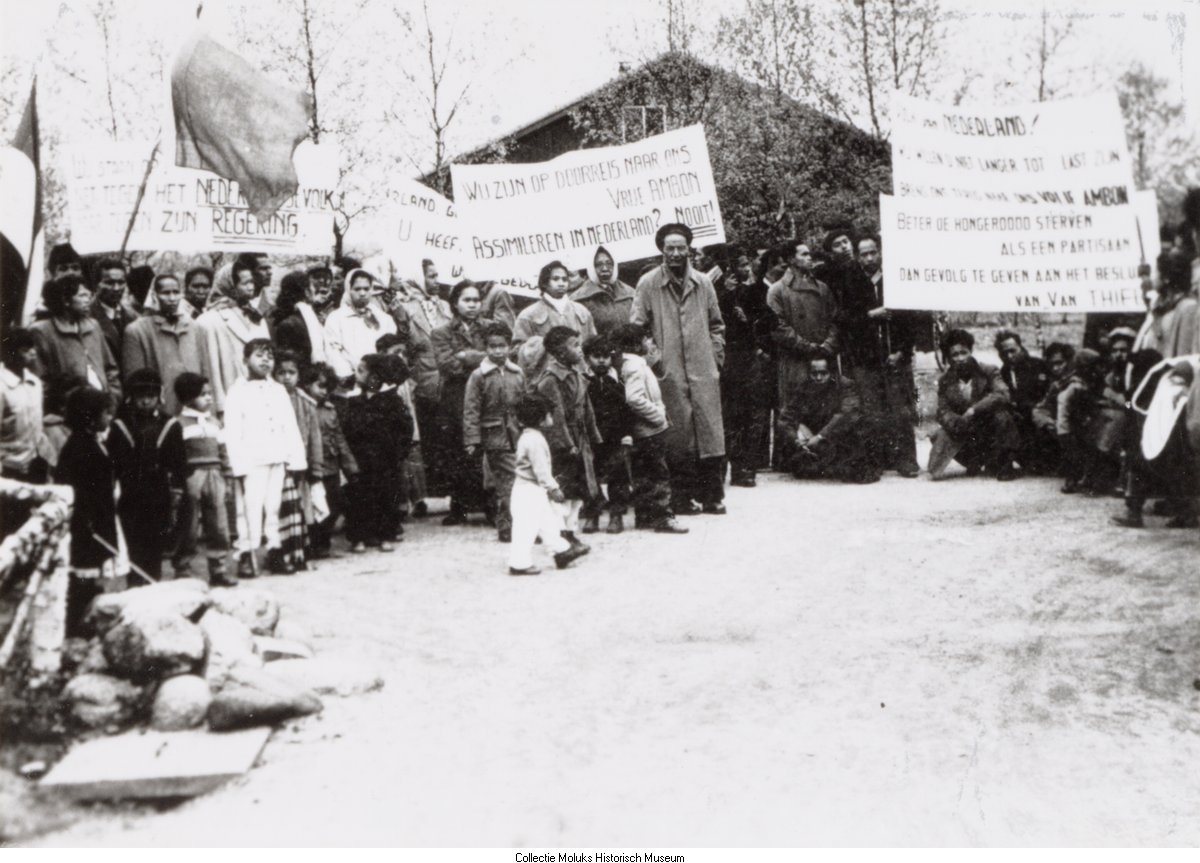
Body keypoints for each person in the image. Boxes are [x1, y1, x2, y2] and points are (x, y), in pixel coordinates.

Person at [632, 223, 727, 516]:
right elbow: (638, 327)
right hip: (668, 371)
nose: (675, 253)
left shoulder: (703, 282)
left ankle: (713, 496)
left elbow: (717, 324)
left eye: (680, 247)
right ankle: (682, 498)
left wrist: (715, 357)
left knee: (709, 433)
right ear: (662, 250)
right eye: (669, 248)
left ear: (689, 249)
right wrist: (655, 359)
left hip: (703, 368)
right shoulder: (648, 283)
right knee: (678, 436)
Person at [223, 339, 307, 577]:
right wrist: (237, 464)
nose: (265, 360)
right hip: (251, 461)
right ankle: (246, 554)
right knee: (249, 509)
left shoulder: (278, 390)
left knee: (273, 507)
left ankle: (274, 550)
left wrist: (296, 459)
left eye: (269, 356)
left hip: (277, 457)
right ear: (245, 360)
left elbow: (289, 425)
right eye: (259, 355)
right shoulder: (237, 392)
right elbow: (232, 430)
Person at [55, 386, 127, 636]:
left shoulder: (92, 442)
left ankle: (87, 624)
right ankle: (78, 629)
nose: (109, 418)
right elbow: (77, 491)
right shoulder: (79, 448)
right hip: (87, 524)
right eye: (105, 413)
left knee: (94, 577)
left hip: (99, 519)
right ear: (89, 416)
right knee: (83, 577)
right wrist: (88, 523)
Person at [108, 368, 187, 580]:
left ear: (159, 396)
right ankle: (135, 583)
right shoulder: (120, 426)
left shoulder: (170, 425)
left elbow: (178, 463)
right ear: (130, 398)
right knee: (133, 542)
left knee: (155, 543)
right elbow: (113, 463)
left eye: (150, 396)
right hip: (130, 492)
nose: (145, 402)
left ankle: (153, 581)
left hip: (158, 492)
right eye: (140, 397)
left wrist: (177, 491)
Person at [855, 234, 921, 477]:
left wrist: (902, 352)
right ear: (857, 256)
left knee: (901, 410)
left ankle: (906, 461)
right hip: (867, 359)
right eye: (864, 254)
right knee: (872, 413)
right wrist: (872, 315)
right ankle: (875, 462)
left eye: (873, 252)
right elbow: (846, 320)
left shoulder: (895, 280)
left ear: (880, 252)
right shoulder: (853, 282)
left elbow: (910, 322)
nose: (869, 258)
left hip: (895, 358)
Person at [532, 326, 601, 555]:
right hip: (564, 446)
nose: (580, 350)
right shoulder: (551, 380)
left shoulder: (577, 374)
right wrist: (567, 444)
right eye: (575, 345)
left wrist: (593, 436)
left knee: (579, 491)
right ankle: (560, 533)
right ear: (559, 353)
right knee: (563, 491)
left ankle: (570, 533)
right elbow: (557, 417)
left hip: (580, 441)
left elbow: (587, 409)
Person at [613, 323, 687, 534]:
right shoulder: (636, 365)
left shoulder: (629, 363)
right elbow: (634, 398)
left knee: (643, 473)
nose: (651, 344)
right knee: (658, 473)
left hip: (643, 430)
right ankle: (663, 516)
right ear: (636, 344)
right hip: (649, 429)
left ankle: (644, 515)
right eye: (648, 340)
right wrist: (657, 415)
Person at [431, 280, 494, 525]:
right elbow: (447, 365)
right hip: (456, 396)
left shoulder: (490, 328)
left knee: (487, 446)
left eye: (476, 300)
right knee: (458, 449)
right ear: (455, 304)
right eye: (467, 300)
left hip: (486, 392)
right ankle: (460, 507)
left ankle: (490, 504)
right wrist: (480, 360)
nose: (472, 305)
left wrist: (467, 356)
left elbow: (499, 355)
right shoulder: (441, 332)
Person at [392, 265, 454, 511]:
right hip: (422, 384)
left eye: (438, 274)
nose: (437, 280)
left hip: (446, 380)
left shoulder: (445, 307)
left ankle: (452, 493)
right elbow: (404, 344)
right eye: (432, 275)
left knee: (448, 437)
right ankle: (422, 495)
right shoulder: (404, 309)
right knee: (426, 439)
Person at [506, 394, 588, 575]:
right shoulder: (535, 440)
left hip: (528, 490)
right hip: (529, 490)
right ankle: (519, 563)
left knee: (547, 522)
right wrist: (553, 488)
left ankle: (562, 551)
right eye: (549, 415)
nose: (552, 418)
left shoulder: (528, 437)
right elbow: (541, 470)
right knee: (526, 528)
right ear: (540, 419)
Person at [342, 353, 413, 553]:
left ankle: (385, 535)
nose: (356, 374)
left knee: (386, 496)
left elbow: (405, 428)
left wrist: (398, 453)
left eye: (361, 371)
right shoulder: (355, 401)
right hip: (361, 459)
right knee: (359, 497)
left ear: (375, 377)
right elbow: (348, 429)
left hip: (385, 460)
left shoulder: (391, 401)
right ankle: (360, 537)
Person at [928, 329, 1020, 481]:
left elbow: (1002, 394)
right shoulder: (945, 380)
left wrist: (974, 410)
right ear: (949, 358)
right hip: (966, 429)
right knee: (938, 435)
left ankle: (1004, 464)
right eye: (954, 355)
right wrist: (956, 422)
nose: (960, 358)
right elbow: (942, 410)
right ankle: (974, 461)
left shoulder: (988, 370)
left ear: (971, 351)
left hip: (989, 427)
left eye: (964, 352)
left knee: (1002, 417)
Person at [463, 321, 525, 543]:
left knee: (514, 481)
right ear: (486, 348)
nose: (498, 351)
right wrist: (472, 439)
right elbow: (471, 410)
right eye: (492, 346)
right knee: (509, 481)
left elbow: (523, 404)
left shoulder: (517, 373)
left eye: (502, 346)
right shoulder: (479, 376)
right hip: (494, 436)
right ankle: (507, 525)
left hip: (517, 434)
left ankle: (512, 524)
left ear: (509, 346)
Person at [777, 351, 878, 484]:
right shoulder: (803, 387)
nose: (818, 377)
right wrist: (797, 439)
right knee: (801, 469)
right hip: (815, 441)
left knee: (854, 472)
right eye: (814, 373)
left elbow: (846, 415)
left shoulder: (846, 385)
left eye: (823, 373)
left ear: (832, 373)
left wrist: (819, 437)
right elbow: (785, 418)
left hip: (839, 437)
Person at [171, 372, 233, 585]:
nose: (209, 398)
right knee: (188, 524)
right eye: (202, 394)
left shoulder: (215, 422)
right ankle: (183, 569)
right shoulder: (178, 424)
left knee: (218, 524)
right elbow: (176, 456)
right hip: (192, 475)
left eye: (209, 394)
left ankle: (218, 569)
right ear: (188, 398)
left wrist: (228, 476)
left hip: (215, 474)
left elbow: (223, 451)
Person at [718, 248, 773, 487]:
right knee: (733, 415)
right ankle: (736, 466)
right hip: (728, 361)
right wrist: (728, 298)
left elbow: (771, 319)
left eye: (747, 264)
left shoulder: (753, 292)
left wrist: (750, 321)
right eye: (740, 265)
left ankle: (749, 465)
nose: (746, 269)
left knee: (754, 414)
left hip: (749, 359)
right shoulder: (717, 294)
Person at [766, 240, 838, 414]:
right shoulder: (777, 291)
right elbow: (778, 327)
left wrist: (827, 344)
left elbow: (835, 319)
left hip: (823, 359)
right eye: (804, 254)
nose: (809, 257)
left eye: (809, 254)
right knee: (794, 412)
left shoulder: (822, 288)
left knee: (825, 411)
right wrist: (807, 346)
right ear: (791, 259)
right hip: (795, 361)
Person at [30, 274, 122, 404]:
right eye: (82, 295)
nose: (88, 300)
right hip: (69, 413)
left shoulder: (93, 326)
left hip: (104, 409)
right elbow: (40, 380)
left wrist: (114, 397)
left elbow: (111, 368)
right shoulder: (42, 331)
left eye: (88, 295)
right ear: (65, 300)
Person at [194, 260, 270, 415]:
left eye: (252, 282)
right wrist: (220, 408)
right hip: (231, 401)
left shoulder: (257, 318)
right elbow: (210, 370)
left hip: (261, 399)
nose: (251, 287)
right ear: (230, 285)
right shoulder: (209, 321)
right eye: (245, 283)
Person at [122, 273, 203, 416]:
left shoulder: (194, 327)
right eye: (165, 293)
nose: (172, 298)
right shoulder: (137, 331)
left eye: (176, 292)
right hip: (160, 412)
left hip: (194, 411)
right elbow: (136, 381)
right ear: (154, 295)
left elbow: (204, 369)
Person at [1052, 349, 1127, 496]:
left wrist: (1127, 404)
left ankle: (1099, 480)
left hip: (1115, 415)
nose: (1100, 369)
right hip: (1086, 422)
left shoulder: (1108, 379)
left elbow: (1128, 403)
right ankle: (1088, 479)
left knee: (1115, 420)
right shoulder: (1078, 384)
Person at [274, 350, 323, 572]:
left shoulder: (306, 403)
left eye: (291, 372)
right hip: (278, 464)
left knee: (303, 508)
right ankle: (282, 552)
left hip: (300, 465)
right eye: (281, 372)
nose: (286, 377)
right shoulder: (271, 399)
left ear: (298, 375)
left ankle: (303, 550)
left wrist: (316, 469)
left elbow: (315, 438)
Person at [302, 363, 357, 558]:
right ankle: (313, 543)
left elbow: (339, 438)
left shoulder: (330, 409)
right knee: (313, 506)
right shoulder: (302, 408)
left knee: (334, 504)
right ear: (307, 385)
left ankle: (323, 541)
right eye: (319, 386)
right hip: (311, 466)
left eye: (327, 387)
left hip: (331, 464)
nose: (324, 391)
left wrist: (350, 465)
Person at [579, 334, 632, 534]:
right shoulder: (583, 381)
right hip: (591, 438)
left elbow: (626, 410)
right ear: (587, 358)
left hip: (614, 437)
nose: (601, 360)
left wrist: (627, 434)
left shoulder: (617, 382)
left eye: (605, 356)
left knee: (618, 476)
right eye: (596, 356)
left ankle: (616, 515)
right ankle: (592, 515)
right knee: (589, 476)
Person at [994, 330, 1054, 473]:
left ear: (1020, 347)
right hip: (1021, 423)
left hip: (1041, 417)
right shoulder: (1003, 373)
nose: (1009, 356)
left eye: (1012, 350)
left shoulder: (1039, 365)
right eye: (1004, 353)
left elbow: (1051, 393)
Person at [324, 268, 398, 381]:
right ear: (349, 290)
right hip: (353, 383)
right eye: (357, 289)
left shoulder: (384, 318)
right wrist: (351, 377)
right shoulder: (336, 318)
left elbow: (392, 351)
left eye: (366, 289)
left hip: (381, 382)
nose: (362, 293)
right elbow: (333, 353)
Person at [1, 328, 51, 485]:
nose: (32, 353)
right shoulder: (3, 388)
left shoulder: (34, 383)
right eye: (25, 350)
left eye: (33, 348)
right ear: (10, 354)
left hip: (37, 463)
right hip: (10, 467)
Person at [513, 259, 598, 349]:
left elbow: (594, 345)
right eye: (555, 279)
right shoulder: (528, 315)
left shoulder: (582, 311)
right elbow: (518, 350)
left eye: (564, 279)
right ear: (544, 283)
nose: (561, 283)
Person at [1030, 342, 1078, 473]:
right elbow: (1042, 407)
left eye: (1059, 363)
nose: (1055, 368)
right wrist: (1049, 422)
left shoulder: (1078, 380)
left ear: (1069, 361)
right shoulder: (1056, 384)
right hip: (1062, 425)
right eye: (1052, 365)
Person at [571, 246, 636, 338]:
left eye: (609, 263)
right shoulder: (579, 299)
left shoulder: (630, 293)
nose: (605, 268)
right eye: (598, 265)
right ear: (591, 267)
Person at [269, 270, 328, 366]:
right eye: (312, 286)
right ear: (306, 292)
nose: (314, 290)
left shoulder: (305, 319)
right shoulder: (291, 323)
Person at [91, 257, 136, 360]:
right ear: (96, 285)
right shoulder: (87, 317)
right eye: (109, 283)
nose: (116, 288)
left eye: (121, 282)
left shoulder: (133, 316)